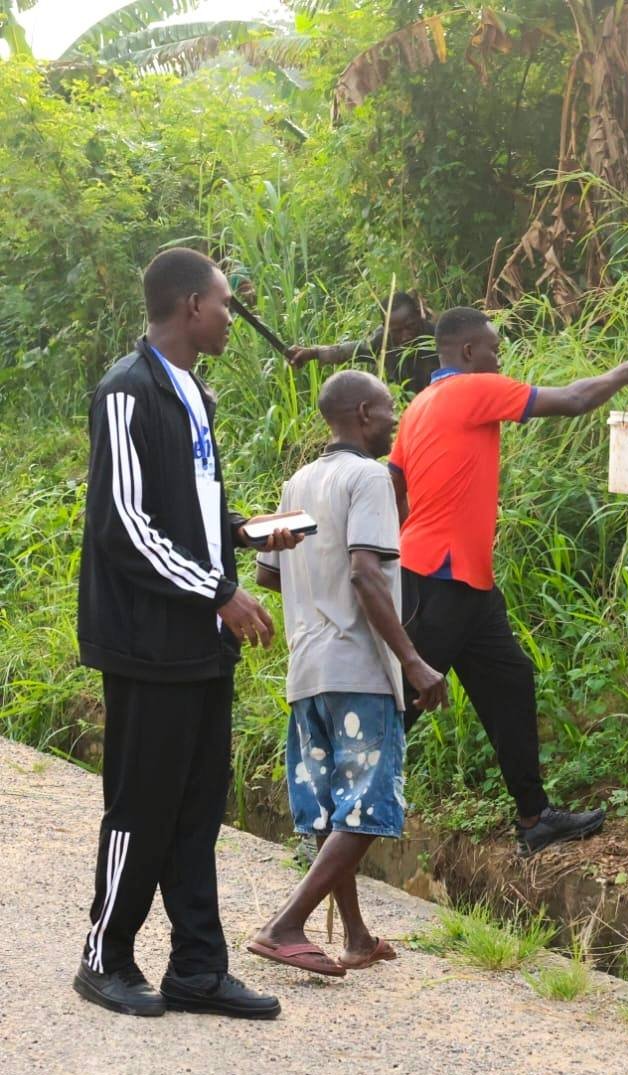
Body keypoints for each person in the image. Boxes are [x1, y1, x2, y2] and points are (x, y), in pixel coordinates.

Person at [76, 247, 303, 1019]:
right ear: (190, 308)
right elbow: (125, 527)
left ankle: (198, 969)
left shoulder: (194, 395)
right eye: (225, 304)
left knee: (200, 802)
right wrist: (221, 591)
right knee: (142, 801)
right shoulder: (126, 391)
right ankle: (104, 957)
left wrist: (245, 533)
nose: (232, 318)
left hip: (201, 639)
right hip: (148, 640)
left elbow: (188, 513)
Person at [388, 306, 628, 857]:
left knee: (509, 682)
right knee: (403, 704)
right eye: (492, 347)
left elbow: (395, 479)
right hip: (442, 575)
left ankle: (535, 818)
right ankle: (334, 816)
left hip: (460, 577)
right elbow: (575, 400)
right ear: (467, 353)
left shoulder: (421, 402)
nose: (498, 356)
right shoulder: (471, 389)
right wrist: (624, 374)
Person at [248, 371, 449, 976]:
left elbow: (267, 574)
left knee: (335, 809)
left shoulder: (299, 481)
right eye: (389, 411)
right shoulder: (369, 478)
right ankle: (284, 925)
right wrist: (412, 660)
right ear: (363, 413)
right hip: (360, 669)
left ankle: (357, 937)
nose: (394, 421)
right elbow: (366, 573)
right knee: (368, 809)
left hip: (307, 668)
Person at [287, 291, 438, 394]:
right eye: (397, 331)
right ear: (386, 328)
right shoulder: (383, 340)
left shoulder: (438, 337)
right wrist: (313, 353)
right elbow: (352, 350)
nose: (405, 336)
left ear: (419, 315)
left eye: (410, 327)